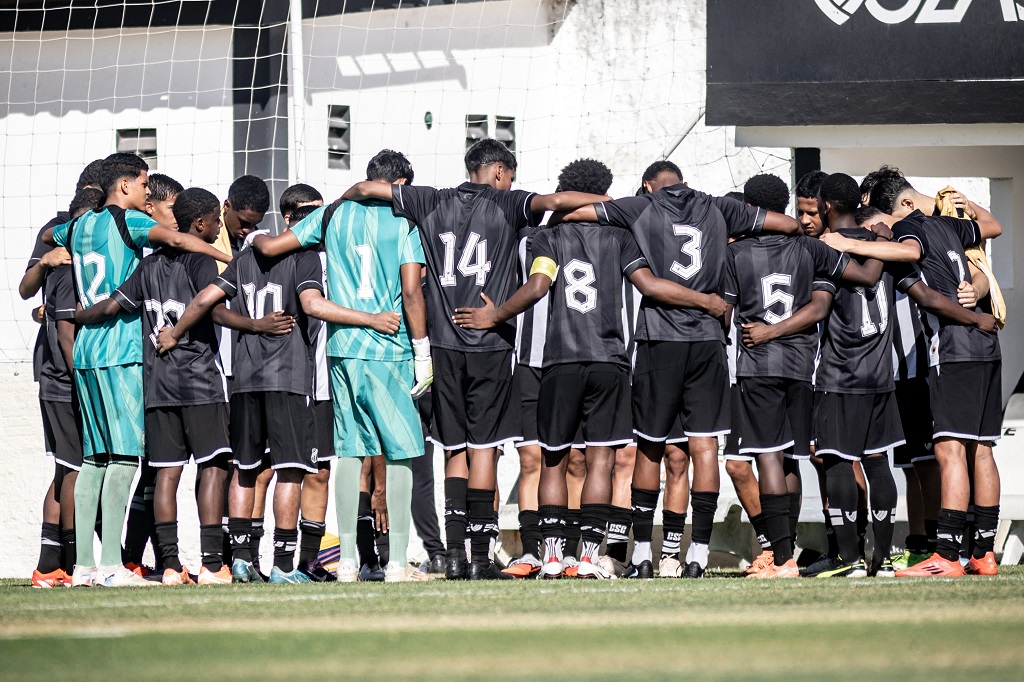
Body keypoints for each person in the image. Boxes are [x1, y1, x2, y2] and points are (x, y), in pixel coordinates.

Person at [455, 157, 738, 580]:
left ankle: (551, 554)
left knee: (552, 460)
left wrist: (496, 317)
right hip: (610, 359)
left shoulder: (544, 237)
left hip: (558, 359)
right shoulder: (622, 238)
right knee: (602, 460)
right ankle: (589, 556)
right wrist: (709, 302)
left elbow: (538, 285)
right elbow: (646, 284)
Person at [340, 139, 606, 580]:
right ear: (500, 172)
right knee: (485, 448)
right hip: (489, 342)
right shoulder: (508, 203)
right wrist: (616, 204)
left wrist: (343, 203)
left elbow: (367, 189)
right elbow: (558, 201)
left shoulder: (428, 199)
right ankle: (482, 557)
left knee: (454, 449)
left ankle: (457, 553)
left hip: (443, 345)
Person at [557, 160, 799, 579]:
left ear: (649, 184)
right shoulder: (720, 207)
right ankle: (696, 554)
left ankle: (642, 555)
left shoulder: (641, 206)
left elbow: (572, 211)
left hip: (660, 339)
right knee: (704, 446)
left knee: (650, 446)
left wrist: (609, 203)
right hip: (708, 341)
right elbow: (787, 225)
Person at [45, 153, 231, 588]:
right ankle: (113, 564)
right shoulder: (129, 224)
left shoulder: (74, 227)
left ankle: (85, 567)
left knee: (93, 459)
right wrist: (222, 254)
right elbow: (181, 241)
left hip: (85, 351)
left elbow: (49, 237)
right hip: (120, 351)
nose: (149, 193)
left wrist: (48, 261)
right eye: (145, 184)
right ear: (125, 186)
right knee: (125, 457)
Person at [77, 187, 277, 585]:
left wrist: (78, 314)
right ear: (199, 224)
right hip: (199, 382)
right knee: (213, 467)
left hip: (158, 386)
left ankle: (169, 565)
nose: (219, 226)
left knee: (167, 473)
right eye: (215, 222)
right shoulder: (200, 260)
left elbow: (113, 305)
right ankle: (210, 563)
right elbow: (214, 308)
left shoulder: (147, 266)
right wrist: (256, 325)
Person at [251, 149, 433, 582]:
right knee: (401, 451)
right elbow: (411, 292)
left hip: (341, 349)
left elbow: (274, 246)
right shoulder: (405, 220)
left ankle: (347, 560)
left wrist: (253, 240)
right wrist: (423, 352)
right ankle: (395, 562)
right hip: (388, 347)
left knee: (349, 451)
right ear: (400, 186)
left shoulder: (332, 215)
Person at [822, 168, 1002, 578]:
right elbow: (992, 226)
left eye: (890, 221)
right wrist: (963, 205)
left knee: (948, 450)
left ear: (903, 206)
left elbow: (909, 255)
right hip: (986, 348)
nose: (890, 231)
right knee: (981, 448)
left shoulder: (915, 228)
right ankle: (984, 553)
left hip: (955, 347)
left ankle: (948, 555)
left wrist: (846, 242)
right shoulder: (948, 225)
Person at [158, 218, 330, 583]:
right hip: (288, 377)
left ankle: (239, 559)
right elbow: (311, 304)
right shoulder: (304, 257)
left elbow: (206, 299)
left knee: (246, 469)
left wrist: (174, 333)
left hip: (244, 381)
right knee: (290, 471)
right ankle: (284, 566)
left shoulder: (245, 257)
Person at [809, 173, 903, 578]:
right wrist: (884, 239)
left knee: (836, 461)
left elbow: (860, 279)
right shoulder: (886, 246)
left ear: (827, 205)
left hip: (841, 374)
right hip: (880, 373)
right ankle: (880, 559)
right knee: (877, 462)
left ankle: (850, 559)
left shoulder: (828, 247)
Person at [22, 185, 102, 588]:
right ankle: (76, 563)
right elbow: (26, 290)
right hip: (63, 376)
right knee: (75, 470)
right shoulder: (62, 244)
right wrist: (83, 379)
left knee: (65, 470)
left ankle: (49, 565)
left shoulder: (84, 252)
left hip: (60, 374)